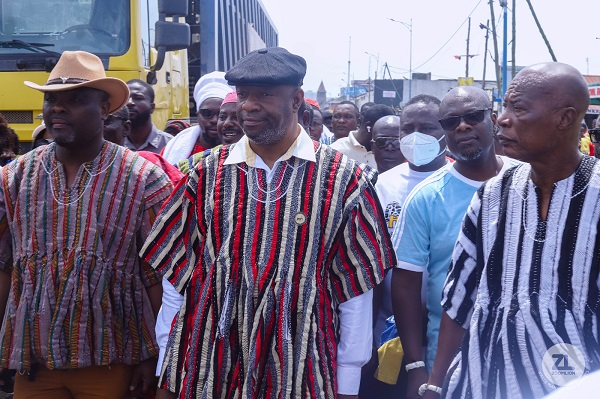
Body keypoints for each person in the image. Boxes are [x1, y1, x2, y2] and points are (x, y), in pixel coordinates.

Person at [142, 47, 395, 399]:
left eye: (264, 94)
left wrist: (347, 380)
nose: (248, 105)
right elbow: (176, 280)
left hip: (302, 367)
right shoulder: (203, 174)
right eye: (243, 95)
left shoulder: (344, 180)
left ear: (296, 100)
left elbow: (356, 288)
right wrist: (167, 370)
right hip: (210, 365)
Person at [0, 51, 173, 398]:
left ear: (105, 109)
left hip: (113, 360)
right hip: (35, 362)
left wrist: (157, 357)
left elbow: (159, 275)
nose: (58, 109)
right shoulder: (15, 176)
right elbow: (5, 265)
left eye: (76, 100)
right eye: (51, 100)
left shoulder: (144, 179)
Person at [423, 62, 600, 399]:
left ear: (564, 119)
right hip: (482, 382)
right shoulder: (492, 194)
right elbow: (459, 300)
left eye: (518, 108)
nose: (502, 119)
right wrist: (435, 382)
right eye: (504, 106)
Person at [391, 86, 517, 399]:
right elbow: (405, 285)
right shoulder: (425, 198)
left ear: (492, 118)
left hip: (521, 355)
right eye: (451, 122)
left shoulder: (528, 181)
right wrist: (416, 366)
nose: (462, 126)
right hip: (448, 364)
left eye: (473, 116)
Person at [161, 71, 231, 164]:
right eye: (207, 113)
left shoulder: (241, 151)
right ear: (197, 115)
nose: (214, 120)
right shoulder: (175, 147)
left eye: (221, 115)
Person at [103, 106, 183, 183]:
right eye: (91, 119)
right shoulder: (92, 166)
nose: (98, 126)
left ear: (126, 128)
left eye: (106, 121)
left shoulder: (147, 164)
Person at [176, 90, 244, 174]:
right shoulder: (195, 164)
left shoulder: (261, 158)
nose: (227, 123)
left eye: (236, 117)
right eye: (222, 117)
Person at [331, 104, 395, 170]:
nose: (388, 141)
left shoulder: (389, 154)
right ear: (369, 127)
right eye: (385, 134)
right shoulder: (336, 150)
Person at [125, 79, 172, 153]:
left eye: (138, 98)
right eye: (126, 98)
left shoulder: (170, 145)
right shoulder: (113, 145)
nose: (129, 103)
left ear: (152, 107)